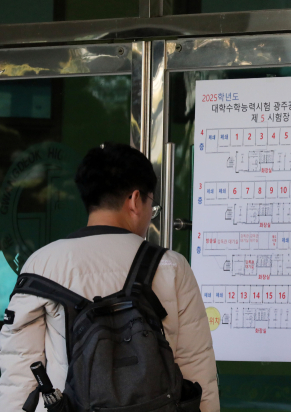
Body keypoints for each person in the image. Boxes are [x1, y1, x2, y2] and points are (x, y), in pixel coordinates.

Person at [0, 143, 220, 412]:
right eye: (151, 203)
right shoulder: (171, 266)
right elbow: (197, 368)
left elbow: (19, 372)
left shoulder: (41, 265)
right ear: (135, 200)